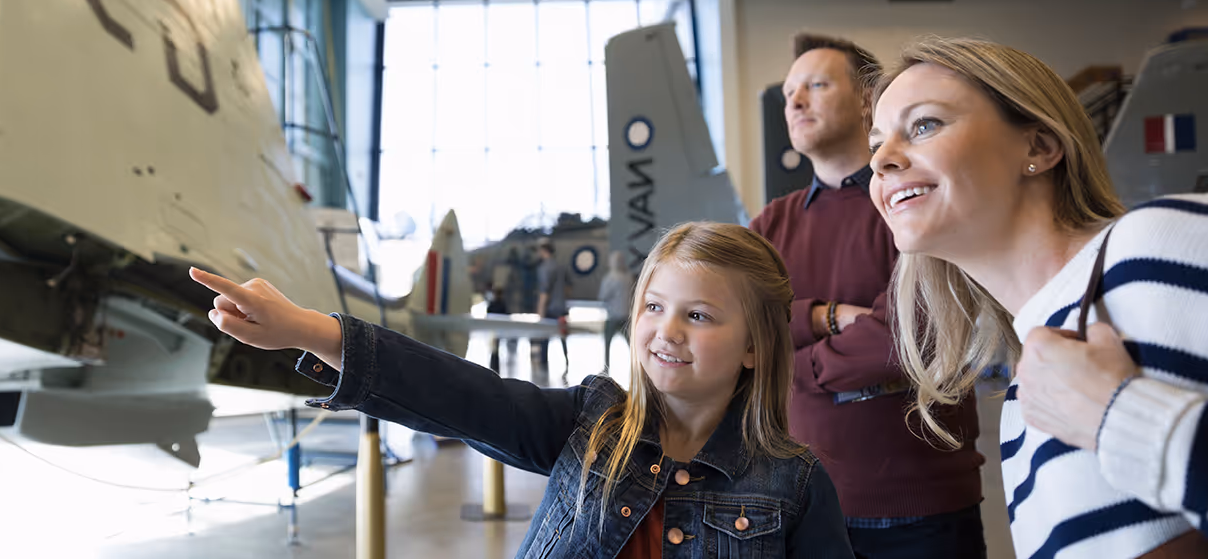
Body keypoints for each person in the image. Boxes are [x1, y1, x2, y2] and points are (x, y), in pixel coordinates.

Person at [189, 222, 853, 557]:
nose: (665, 330)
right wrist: (311, 330)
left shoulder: (793, 485)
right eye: (653, 306)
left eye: (699, 315)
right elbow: (459, 394)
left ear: (754, 345)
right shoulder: (591, 425)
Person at [867, 36, 1208, 557]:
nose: (882, 161)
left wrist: (1127, 420)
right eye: (875, 145)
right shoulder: (1021, 407)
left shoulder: (1156, 244)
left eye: (924, 125)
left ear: (1039, 147)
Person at [749, 33, 985, 557]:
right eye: (790, 93)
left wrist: (794, 364)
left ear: (866, 102)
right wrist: (826, 317)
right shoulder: (772, 223)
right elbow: (744, 324)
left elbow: (914, 336)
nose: (796, 102)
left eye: (816, 85)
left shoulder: (914, 199)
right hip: (805, 507)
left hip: (923, 509)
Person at [535, 239, 570, 370]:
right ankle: (566, 360)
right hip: (561, 307)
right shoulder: (561, 266)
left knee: (544, 337)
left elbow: (544, 292)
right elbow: (568, 288)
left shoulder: (544, 268)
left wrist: (540, 313)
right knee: (562, 335)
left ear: (543, 251)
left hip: (550, 308)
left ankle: (543, 365)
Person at [597, 250, 633, 372]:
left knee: (607, 343)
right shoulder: (628, 277)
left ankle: (606, 367)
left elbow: (603, 296)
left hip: (612, 316)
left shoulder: (610, 278)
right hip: (626, 315)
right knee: (631, 345)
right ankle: (636, 367)